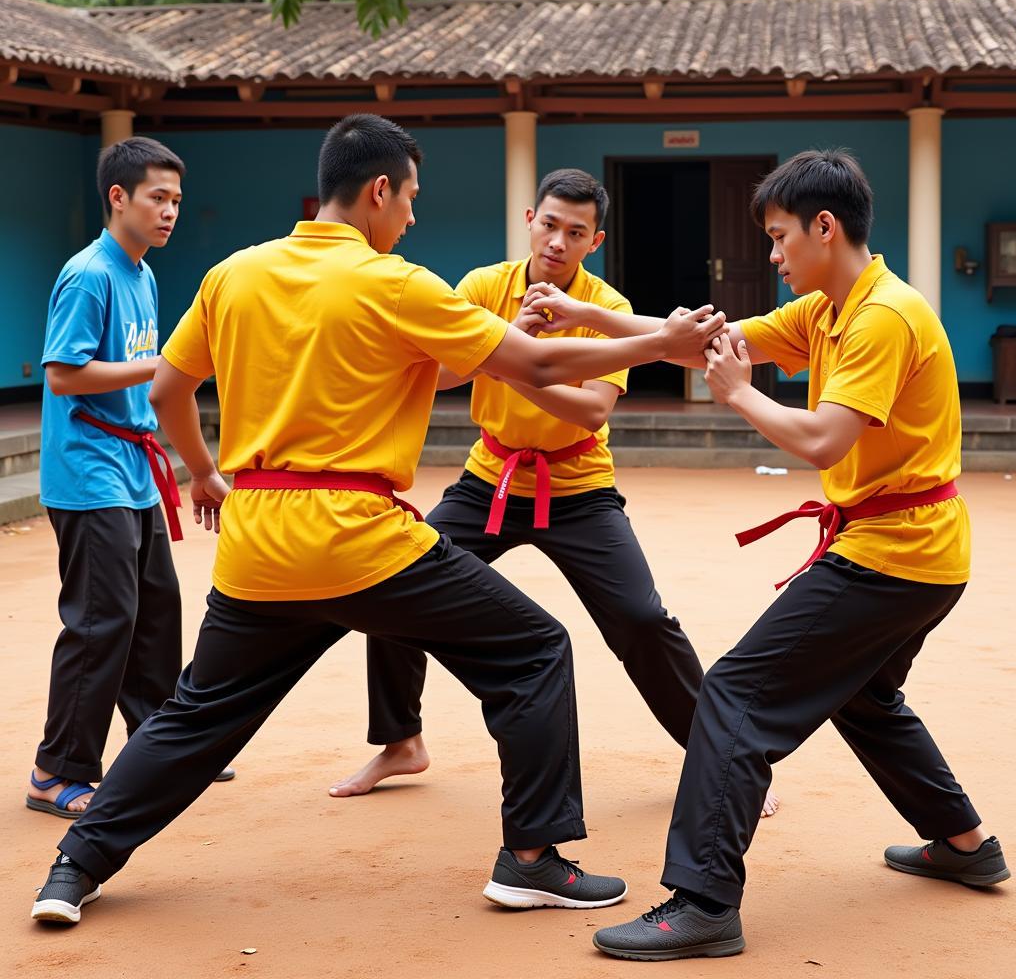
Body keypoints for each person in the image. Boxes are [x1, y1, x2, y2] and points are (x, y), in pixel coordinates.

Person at [30, 114, 725, 925]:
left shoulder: (234, 274)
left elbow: (167, 393)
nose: (413, 218)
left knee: (197, 713)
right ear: (380, 191)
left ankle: (74, 868)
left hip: (258, 544)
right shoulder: (399, 283)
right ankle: (531, 858)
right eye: (411, 199)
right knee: (535, 651)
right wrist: (662, 342)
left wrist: (207, 473)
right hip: (363, 539)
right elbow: (534, 363)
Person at [524, 149, 1010, 962]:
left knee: (735, 698)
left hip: (893, 554)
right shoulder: (828, 308)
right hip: (916, 553)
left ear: (825, 227)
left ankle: (704, 899)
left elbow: (823, 436)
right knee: (866, 698)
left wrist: (741, 395)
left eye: (780, 239)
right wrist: (594, 320)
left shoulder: (882, 316)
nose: (773, 257)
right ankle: (964, 843)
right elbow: (704, 341)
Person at [331, 168, 780, 820]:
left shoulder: (611, 310)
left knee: (644, 620)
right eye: (549, 225)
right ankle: (401, 741)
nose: (558, 242)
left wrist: (512, 359)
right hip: (492, 476)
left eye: (575, 232)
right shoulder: (485, 287)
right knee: (396, 575)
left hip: (578, 488)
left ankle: (719, 756)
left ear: (594, 241)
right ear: (528, 221)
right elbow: (445, 372)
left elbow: (592, 413)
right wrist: (508, 338)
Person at [26, 138, 235, 824]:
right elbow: (62, 373)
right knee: (101, 623)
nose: (170, 211)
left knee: (154, 614)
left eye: (176, 199)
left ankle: (157, 748)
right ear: (118, 198)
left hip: (134, 473)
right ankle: (58, 770)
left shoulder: (140, 274)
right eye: (158, 198)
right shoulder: (90, 274)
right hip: (89, 474)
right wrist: (157, 367)